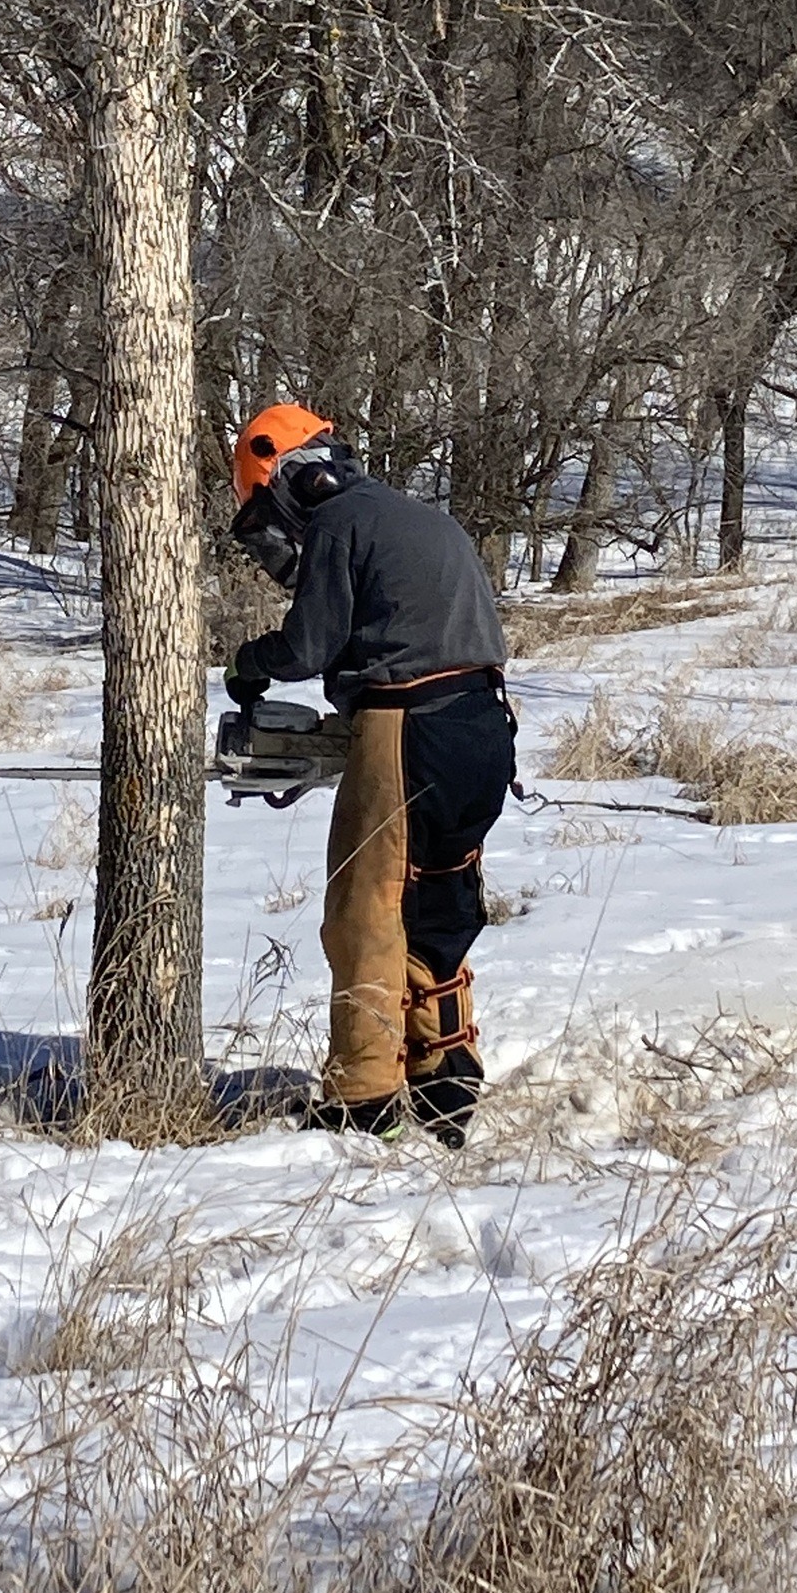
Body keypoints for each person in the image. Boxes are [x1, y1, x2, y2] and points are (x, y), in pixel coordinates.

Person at [225, 403, 515, 1146]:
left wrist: (249, 665)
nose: (275, 541)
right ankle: (447, 1074)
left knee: (365, 905)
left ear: (289, 478)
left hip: (405, 720)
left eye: (267, 515)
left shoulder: (336, 523)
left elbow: (310, 642)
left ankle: (364, 1093)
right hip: (485, 721)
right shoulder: (418, 516)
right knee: (440, 898)